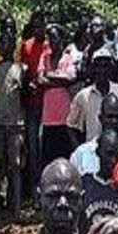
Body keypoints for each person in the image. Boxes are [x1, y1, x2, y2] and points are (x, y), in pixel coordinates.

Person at [0, 32, 25, 217]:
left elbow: (25, 95)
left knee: (15, 165)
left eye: (6, 42)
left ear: (12, 46)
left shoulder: (21, 69)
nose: (2, 46)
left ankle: (16, 207)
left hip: (15, 124)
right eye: (0, 43)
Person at [66, 47, 118, 145]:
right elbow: (71, 125)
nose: (102, 70)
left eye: (105, 66)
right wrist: (79, 150)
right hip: (92, 154)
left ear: (111, 68)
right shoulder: (83, 96)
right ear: (93, 69)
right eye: (98, 66)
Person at [38, 24, 78, 164]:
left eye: (54, 38)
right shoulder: (45, 58)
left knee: (64, 157)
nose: (51, 42)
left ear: (61, 39)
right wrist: (59, 80)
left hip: (64, 117)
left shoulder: (68, 59)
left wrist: (49, 75)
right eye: (49, 39)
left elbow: (70, 79)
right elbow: (40, 81)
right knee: (48, 158)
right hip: (48, 117)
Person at [20, 12, 50, 193]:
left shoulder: (50, 45)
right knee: (32, 147)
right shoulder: (26, 46)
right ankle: (33, 188)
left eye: (42, 26)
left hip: (48, 104)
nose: (39, 29)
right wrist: (28, 85)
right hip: (31, 103)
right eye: (36, 26)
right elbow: (22, 72)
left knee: (44, 144)